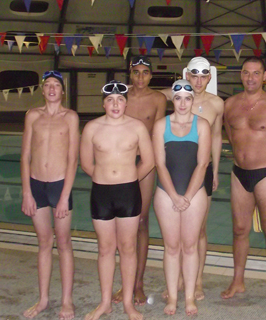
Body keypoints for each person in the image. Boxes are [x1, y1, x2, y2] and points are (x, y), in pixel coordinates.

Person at [80, 80, 154, 320]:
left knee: (128, 248)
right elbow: (85, 163)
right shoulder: (91, 127)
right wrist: (104, 178)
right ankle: (104, 303)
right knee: (105, 249)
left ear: (126, 103)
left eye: (120, 99)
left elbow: (149, 161)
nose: (115, 104)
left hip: (128, 193)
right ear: (103, 103)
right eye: (110, 100)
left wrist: (130, 179)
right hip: (101, 193)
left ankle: (127, 304)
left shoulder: (137, 128)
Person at [160, 57, 224, 300]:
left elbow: (217, 137)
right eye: (193, 76)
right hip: (176, 170)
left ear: (209, 78)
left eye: (203, 76)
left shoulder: (217, 104)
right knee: (174, 233)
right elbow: (148, 94)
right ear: (187, 75)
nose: (198, 81)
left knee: (198, 230)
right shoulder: (176, 94)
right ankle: (175, 279)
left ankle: (196, 280)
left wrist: (216, 170)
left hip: (201, 170)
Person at [222, 57, 266, 305]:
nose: (250, 78)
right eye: (246, 73)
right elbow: (229, 133)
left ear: (264, 75)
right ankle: (238, 280)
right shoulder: (229, 104)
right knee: (239, 230)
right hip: (239, 172)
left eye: (256, 73)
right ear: (241, 75)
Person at [21, 70, 79, 320]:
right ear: (42, 90)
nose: (52, 88)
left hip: (59, 186)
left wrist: (65, 195)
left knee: (64, 244)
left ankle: (67, 301)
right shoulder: (32, 115)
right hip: (36, 186)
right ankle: (43, 299)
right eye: (48, 85)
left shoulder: (71, 117)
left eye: (57, 84)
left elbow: (72, 159)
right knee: (44, 243)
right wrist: (26, 192)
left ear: (63, 91)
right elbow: (25, 156)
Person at [112, 55, 167, 306]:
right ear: (130, 74)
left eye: (145, 72)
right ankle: (125, 282)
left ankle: (138, 284)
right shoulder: (120, 97)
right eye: (136, 72)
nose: (141, 77)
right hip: (120, 163)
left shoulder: (158, 99)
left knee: (142, 221)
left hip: (144, 163)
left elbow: (157, 135)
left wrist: (148, 166)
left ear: (151, 75)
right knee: (122, 225)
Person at [153, 80, 211, 315]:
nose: (183, 103)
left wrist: (186, 196)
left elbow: (202, 163)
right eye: (178, 98)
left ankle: (189, 298)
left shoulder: (202, 125)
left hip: (194, 193)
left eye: (188, 98)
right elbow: (159, 164)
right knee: (171, 247)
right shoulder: (160, 125)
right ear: (172, 100)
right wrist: (174, 196)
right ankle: (172, 298)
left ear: (193, 100)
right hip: (166, 192)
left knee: (190, 246)